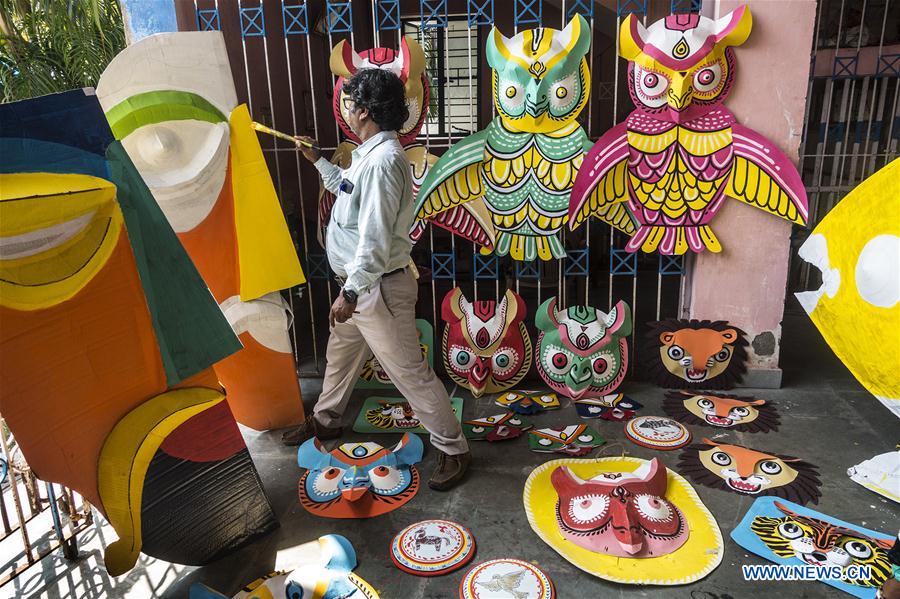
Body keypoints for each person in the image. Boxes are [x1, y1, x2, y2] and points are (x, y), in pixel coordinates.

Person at [283, 67, 471, 491]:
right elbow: (348, 195)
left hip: (374, 289)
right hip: (361, 288)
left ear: (364, 111)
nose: (346, 111)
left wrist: (350, 291)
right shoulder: (371, 153)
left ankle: (454, 448)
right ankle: (326, 421)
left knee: (410, 373)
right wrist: (318, 163)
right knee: (340, 357)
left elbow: (375, 236)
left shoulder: (385, 162)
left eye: (350, 104)